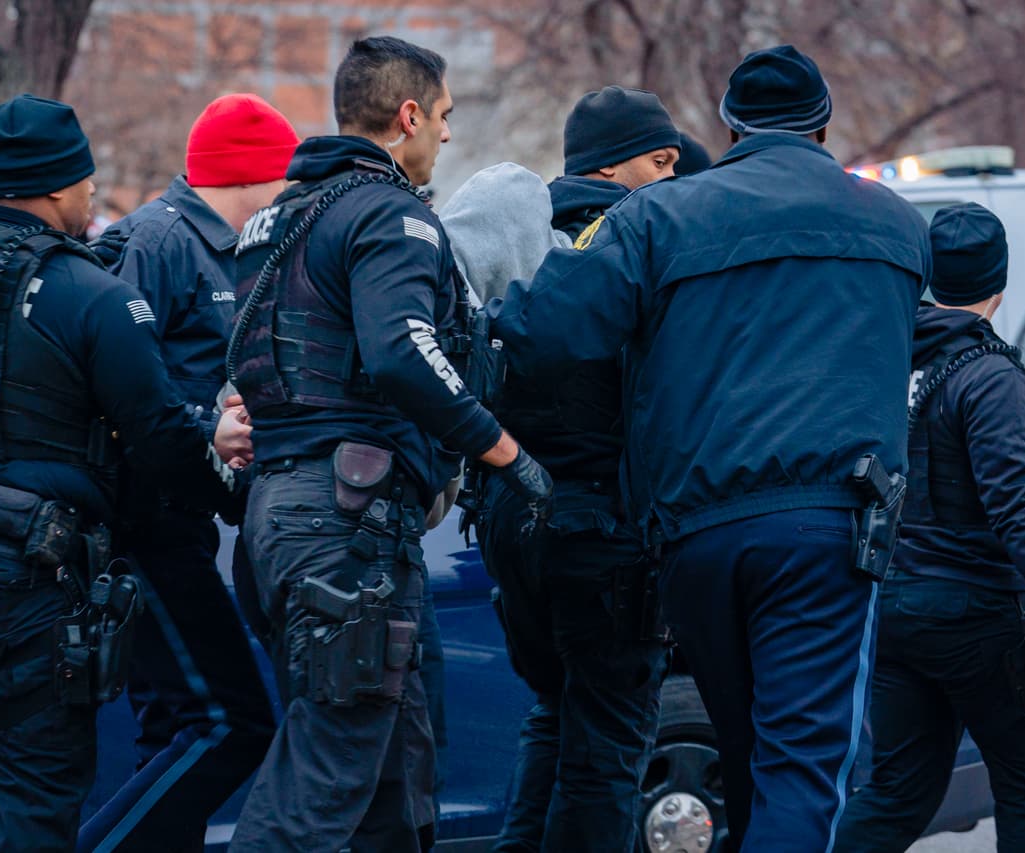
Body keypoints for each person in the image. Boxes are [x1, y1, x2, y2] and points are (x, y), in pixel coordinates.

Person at [488, 45, 931, 851]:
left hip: (696, 535)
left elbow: (543, 327)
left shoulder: (660, 215)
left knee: (745, 751)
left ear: (729, 127)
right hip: (828, 530)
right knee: (802, 770)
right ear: (824, 124)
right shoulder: (898, 224)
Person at [0, 93, 244, 852]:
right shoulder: (91, 294)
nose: (93, 196)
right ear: (54, 187)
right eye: (86, 182)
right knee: (33, 792)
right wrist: (227, 469)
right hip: (18, 581)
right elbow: (163, 437)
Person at [226, 36, 552, 852]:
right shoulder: (389, 211)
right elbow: (404, 352)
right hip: (345, 528)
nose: (446, 136)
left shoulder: (281, 215)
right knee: (328, 769)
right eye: (442, 117)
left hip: (291, 514)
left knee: (398, 768)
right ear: (407, 115)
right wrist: (507, 455)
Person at [835, 202, 1025, 851]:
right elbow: (1023, 500)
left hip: (894, 612)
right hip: (980, 620)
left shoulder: (888, 363)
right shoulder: (991, 378)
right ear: (1001, 279)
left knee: (896, 792)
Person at [76, 93, 296, 853]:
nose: (291, 199)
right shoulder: (155, 242)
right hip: (146, 525)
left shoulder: (237, 249)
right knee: (230, 722)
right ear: (250, 177)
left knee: (174, 732)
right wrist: (213, 426)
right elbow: (113, 386)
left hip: (189, 520)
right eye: (285, 182)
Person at [446, 145, 673, 851]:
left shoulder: (533, 264)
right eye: (666, 166)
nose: (672, 184)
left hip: (513, 521)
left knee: (556, 715)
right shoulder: (633, 257)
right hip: (599, 531)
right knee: (607, 747)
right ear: (628, 164)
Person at [548, 86, 680, 242]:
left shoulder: (546, 219)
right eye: (660, 162)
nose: (672, 176)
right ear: (608, 163)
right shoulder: (615, 236)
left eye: (673, 166)